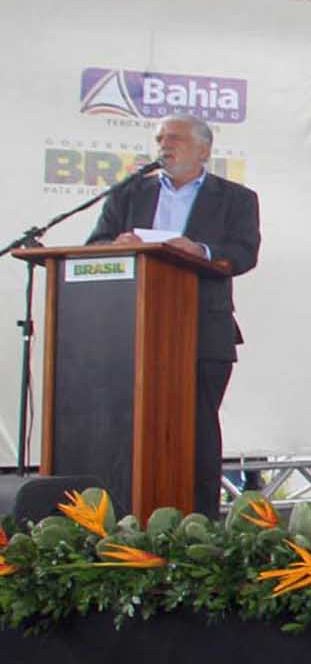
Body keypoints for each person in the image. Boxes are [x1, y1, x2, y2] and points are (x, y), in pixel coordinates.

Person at [89, 113, 259, 517]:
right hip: (132, 334)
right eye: (161, 138)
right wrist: (118, 245)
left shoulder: (236, 198)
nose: (164, 145)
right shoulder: (129, 193)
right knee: (127, 433)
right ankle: (124, 519)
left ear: (204, 149)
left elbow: (244, 252)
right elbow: (95, 242)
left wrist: (198, 251)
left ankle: (199, 522)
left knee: (196, 434)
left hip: (202, 331)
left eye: (176, 138)